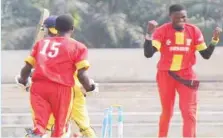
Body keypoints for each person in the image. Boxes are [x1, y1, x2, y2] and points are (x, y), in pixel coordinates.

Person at [143, 4, 222, 138]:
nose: (181, 20)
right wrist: (149, 34)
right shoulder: (162, 31)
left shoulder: (194, 31)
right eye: (177, 18)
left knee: (189, 112)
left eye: (183, 17)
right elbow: (148, 53)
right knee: (167, 112)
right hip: (166, 75)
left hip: (186, 76)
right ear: (170, 17)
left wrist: (214, 40)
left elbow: (206, 55)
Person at [16, 14, 98, 138]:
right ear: (72, 28)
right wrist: (90, 87)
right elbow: (81, 74)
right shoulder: (77, 46)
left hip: (39, 89)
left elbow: (29, 68)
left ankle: (38, 132)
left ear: (54, 28)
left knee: (39, 127)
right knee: (67, 128)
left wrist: (22, 81)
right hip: (65, 90)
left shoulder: (41, 44)